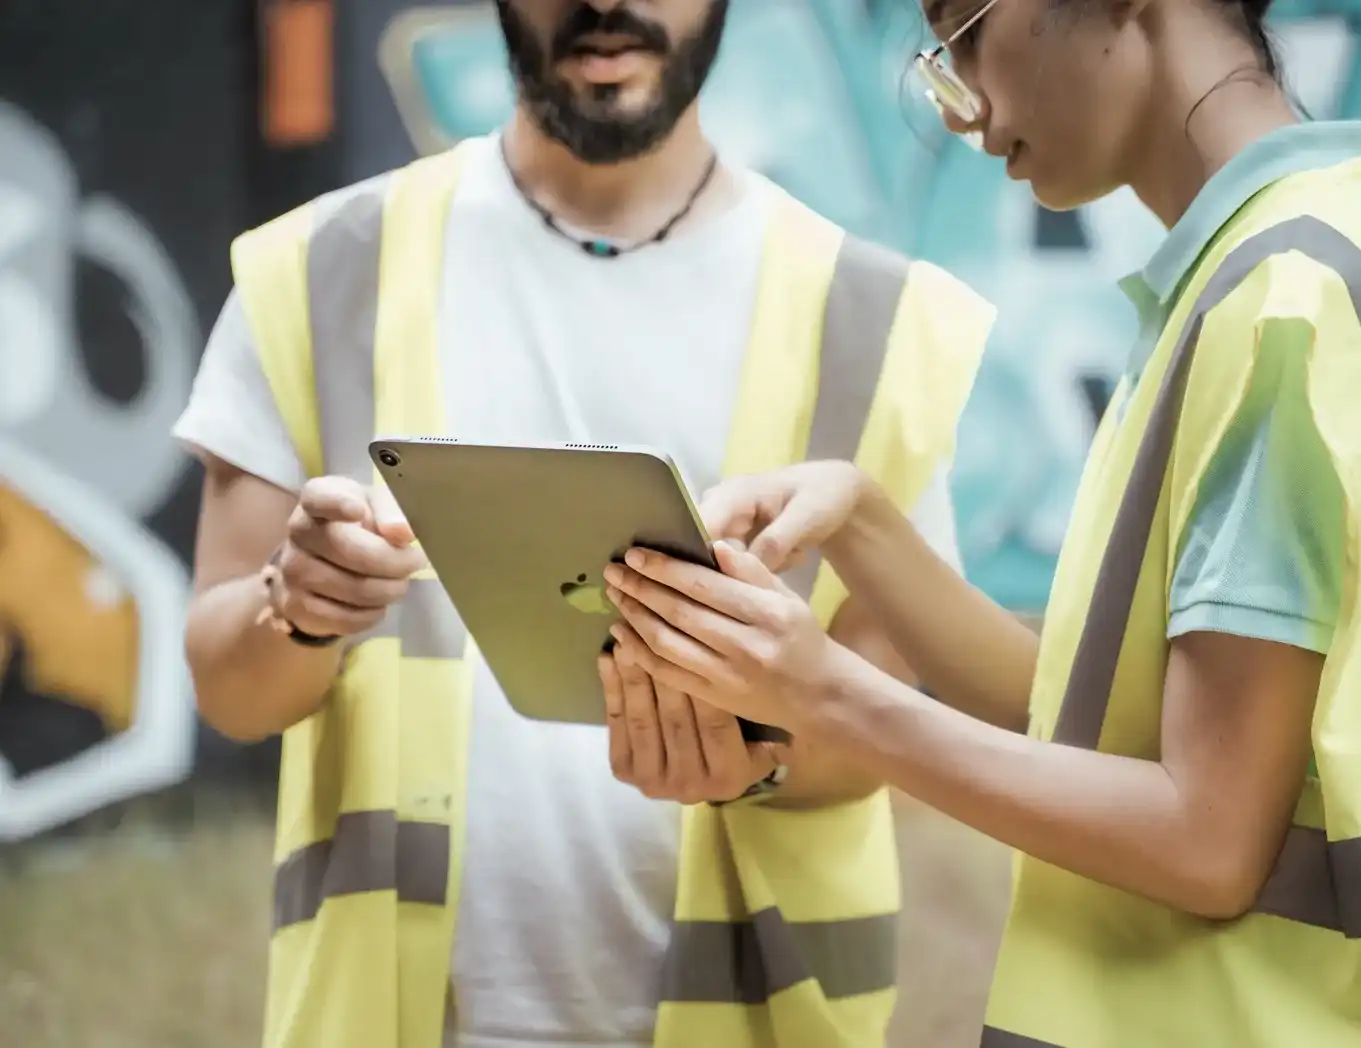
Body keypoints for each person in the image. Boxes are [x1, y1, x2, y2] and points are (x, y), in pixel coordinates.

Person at [174, 2, 1002, 1047]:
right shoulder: (317, 268)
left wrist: (760, 757)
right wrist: (292, 608)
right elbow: (227, 686)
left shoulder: (876, 321)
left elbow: (884, 725)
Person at [596, 0, 1361, 1045]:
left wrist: (825, 693)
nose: (964, 106)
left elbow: (1206, 838)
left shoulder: (1281, 301)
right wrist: (863, 523)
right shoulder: (1265, 265)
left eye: (966, 30)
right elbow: (1089, 727)